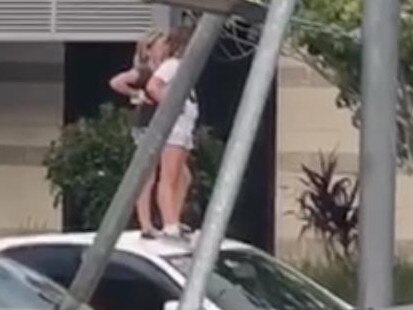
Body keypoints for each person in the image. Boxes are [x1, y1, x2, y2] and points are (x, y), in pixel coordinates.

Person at [109, 28, 195, 239]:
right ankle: (148, 224)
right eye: (159, 45)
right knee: (149, 175)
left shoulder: (164, 68)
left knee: (181, 175)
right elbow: (117, 82)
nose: (163, 48)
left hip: (164, 124)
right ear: (148, 50)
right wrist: (137, 94)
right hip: (148, 124)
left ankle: (170, 218)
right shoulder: (145, 70)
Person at [145, 26, 198, 238]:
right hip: (175, 127)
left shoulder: (183, 69)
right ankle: (169, 223)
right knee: (169, 175)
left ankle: (175, 217)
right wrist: (170, 107)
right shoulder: (172, 65)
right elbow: (152, 86)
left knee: (183, 176)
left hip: (185, 127)